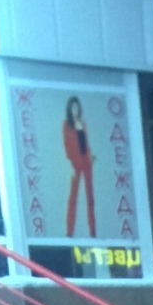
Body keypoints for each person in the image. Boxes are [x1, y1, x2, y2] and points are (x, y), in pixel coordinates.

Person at [62, 96, 97, 238]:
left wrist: (90, 156)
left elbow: (86, 144)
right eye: (73, 108)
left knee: (90, 198)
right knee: (73, 198)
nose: (75, 110)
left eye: (77, 108)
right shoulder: (66, 125)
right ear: (69, 109)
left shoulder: (82, 124)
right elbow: (67, 145)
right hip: (75, 162)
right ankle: (69, 232)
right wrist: (71, 163)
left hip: (86, 162)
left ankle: (93, 232)